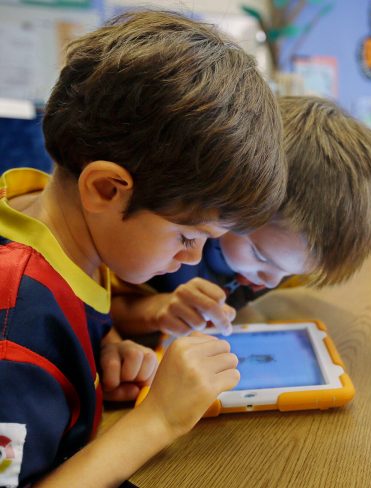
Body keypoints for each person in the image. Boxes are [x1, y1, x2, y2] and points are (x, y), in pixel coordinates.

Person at [0, 11, 286, 487]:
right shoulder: (14, 320)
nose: (193, 259)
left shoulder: (68, 236)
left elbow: (70, 325)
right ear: (108, 189)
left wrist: (105, 350)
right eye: (187, 236)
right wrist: (159, 419)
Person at [110, 96, 371, 336]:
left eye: (290, 274)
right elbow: (101, 310)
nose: (269, 282)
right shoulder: (167, 230)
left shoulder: (281, 258)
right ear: (230, 199)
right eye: (261, 256)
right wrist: (157, 309)